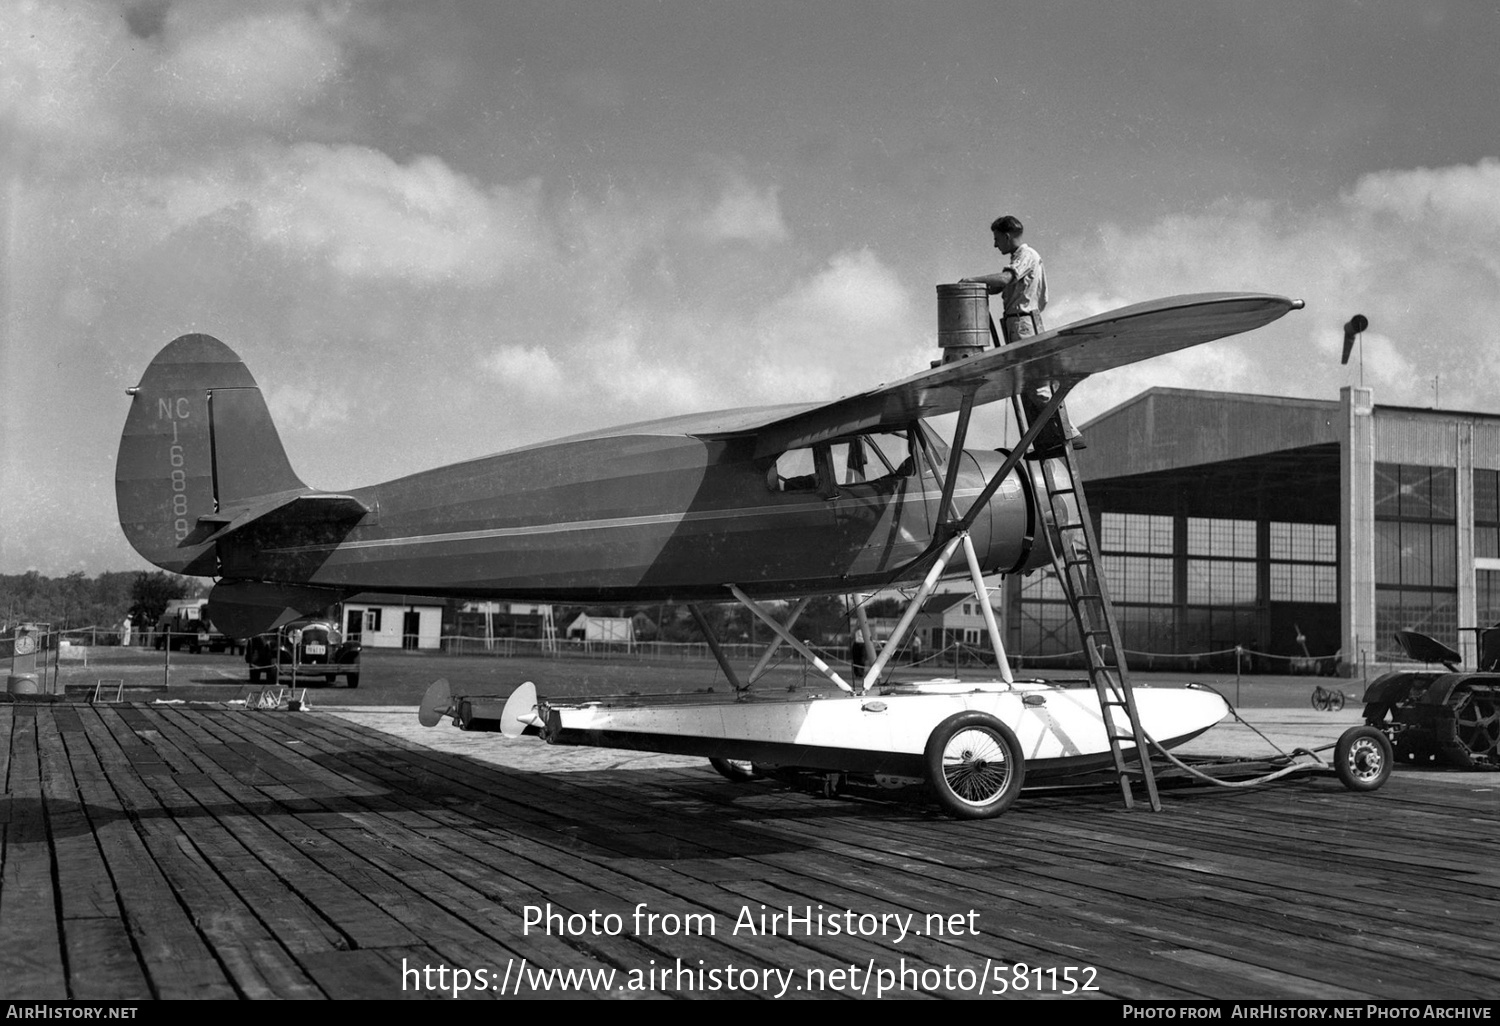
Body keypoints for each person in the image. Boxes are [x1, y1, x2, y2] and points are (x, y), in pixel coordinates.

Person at [961, 215, 1082, 457]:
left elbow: (1006, 279)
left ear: (1006, 236)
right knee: (1027, 387)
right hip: (1017, 323)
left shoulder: (1027, 255)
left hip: (1023, 323)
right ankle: (1047, 442)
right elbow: (1001, 285)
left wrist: (972, 279)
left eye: (997, 239)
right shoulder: (1019, 258)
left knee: (1037, 387)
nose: (996, 246)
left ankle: (1070, 433)